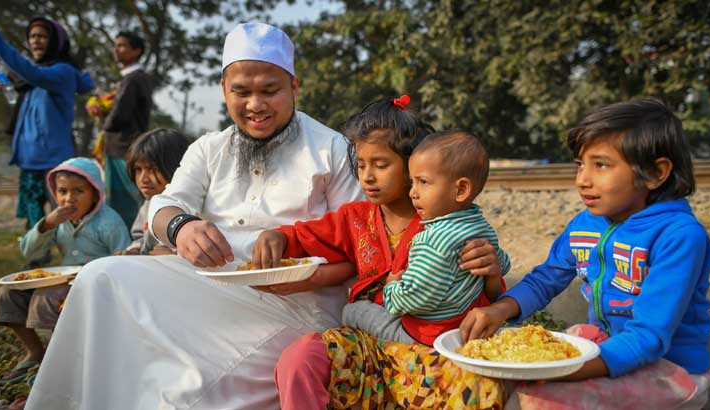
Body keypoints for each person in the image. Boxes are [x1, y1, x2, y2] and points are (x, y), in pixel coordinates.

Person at [26, 22, 364, 410]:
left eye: (270, 91)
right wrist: (181, 227)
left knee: (193, 388)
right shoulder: (209, 148)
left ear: (294, 88)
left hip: (298, 305)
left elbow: (359, 246)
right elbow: (162, 207)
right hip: (210, 285)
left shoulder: (332, 149)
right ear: (224, 91)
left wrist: (305, 277)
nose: (256, 105)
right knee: (99, 275)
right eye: (242, 92)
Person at [459, 98, 710, 409]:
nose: (582, 179)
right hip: (606, 345)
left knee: (540, 397)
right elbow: (546, 278)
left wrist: (560, 369)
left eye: (602, 165)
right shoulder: (587, 223)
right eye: (581, 164)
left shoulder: (679, 237)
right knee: (493, 380)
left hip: (671, 369)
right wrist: (501, 309)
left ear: (655, 173)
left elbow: (649, 337)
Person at [267, 99, 510, 409]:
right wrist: (278, 237)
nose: (367, 176)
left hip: (437, 352)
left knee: (480, 384)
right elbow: (305, 237)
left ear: (412, 166)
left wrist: (492, 272)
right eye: (362, 164)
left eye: (381, 165)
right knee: (301, 357)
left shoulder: (452, 224)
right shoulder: (354, 218)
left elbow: (488, 297)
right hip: (372, 348)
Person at [341, 130, 509, 343]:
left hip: (425, 334)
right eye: (412, 182)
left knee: (355, 311)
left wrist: (391, 288)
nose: (413, 192)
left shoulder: (433, 242)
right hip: (462, 323)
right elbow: (503, 263)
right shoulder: (481, 227)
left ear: (461, 190)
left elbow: (416, 298)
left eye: (423, 182)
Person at [0, 157, 130, 384]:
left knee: (44, 297)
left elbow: (124, 258)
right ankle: (36, 351)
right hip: (61, 281)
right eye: (62, 191)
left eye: (79, 191)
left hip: (94, 287)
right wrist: (47, 224)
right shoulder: (58, 221)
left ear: (95, 193)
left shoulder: (109, 222)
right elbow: (29, 252)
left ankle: (61, 359)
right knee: (7, 295)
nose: (69, 199)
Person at [0, 18, 93, 233]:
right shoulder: (29, 82)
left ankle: (74, 256)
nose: (35, 40)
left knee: (66, 214)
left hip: (54, 160)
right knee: (33, 215)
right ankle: (39, 256)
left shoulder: (62, 73)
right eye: (31, 36)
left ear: (55, 41)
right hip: (29, 159)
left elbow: (32, 73)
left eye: (42, 36)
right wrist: (9, 84)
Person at [102, 31, 153, 228]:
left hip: (123, 147)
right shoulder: (135, 78)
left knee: (126, 197)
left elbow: (120, 115)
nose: (116, 49)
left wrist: (103, 122)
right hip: (127, 146)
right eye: (115, 45)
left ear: (137, 51)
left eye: (122, 45)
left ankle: (132, 237)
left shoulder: (133, 79)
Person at [114, 128, 190, 256]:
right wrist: (134, 251)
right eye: (138, 169)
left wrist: (175, 255)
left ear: (177, 168)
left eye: (152, 169)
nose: (143, 179)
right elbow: (139, 237)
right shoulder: (148, 204)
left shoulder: (190, 206)